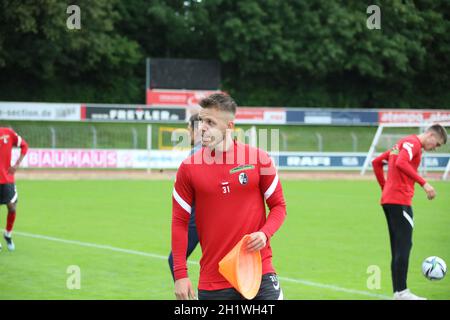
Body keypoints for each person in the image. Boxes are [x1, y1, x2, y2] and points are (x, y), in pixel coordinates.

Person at [171, 93, 287, 300]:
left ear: (229, 126)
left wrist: (265, 233)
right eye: (201, 121)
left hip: (259, 273)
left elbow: (278, 206)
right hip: (213, 281)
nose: (202, 127)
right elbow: (179, 222)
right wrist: (180, 274)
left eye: (210, 122)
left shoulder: (259, 159)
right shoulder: (188, 169)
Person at [372, 124, 447, 300]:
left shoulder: (402, 144)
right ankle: (403, 292)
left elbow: (376, 163)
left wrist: (385, 188)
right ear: (430, 135)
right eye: (437, 144)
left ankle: (399, 293)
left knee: (398, 248)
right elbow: (401, 162)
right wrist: (424, 183)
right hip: (400, 200)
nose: (435, 149)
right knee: (404, 246)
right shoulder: (413, 144)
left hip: (390, 200)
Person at [168, 113, 201, 280]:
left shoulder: (196, 153)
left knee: (174, 260)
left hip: (198, 214)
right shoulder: (215, 150)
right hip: (216, 215)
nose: (188, 133)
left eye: (189, 129)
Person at [0, 127, 29, 252]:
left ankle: (8, 234)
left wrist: (16, 164)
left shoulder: (8, 133)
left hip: (7, 179)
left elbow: (24, 146)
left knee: (12, 207)